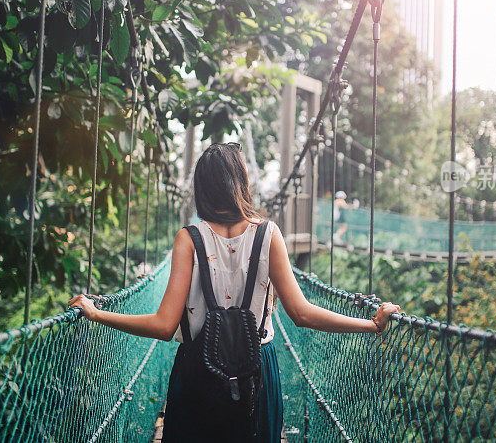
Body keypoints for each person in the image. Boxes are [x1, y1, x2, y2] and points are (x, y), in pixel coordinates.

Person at [68, 142, 401, 442]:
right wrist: (371, 325)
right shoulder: (269, 234)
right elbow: (301, 314)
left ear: (204, 188)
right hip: (257, 368)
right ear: (239, 183)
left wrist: (97, 314)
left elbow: (164, 325)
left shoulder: (189, 238)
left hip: (197, 367)